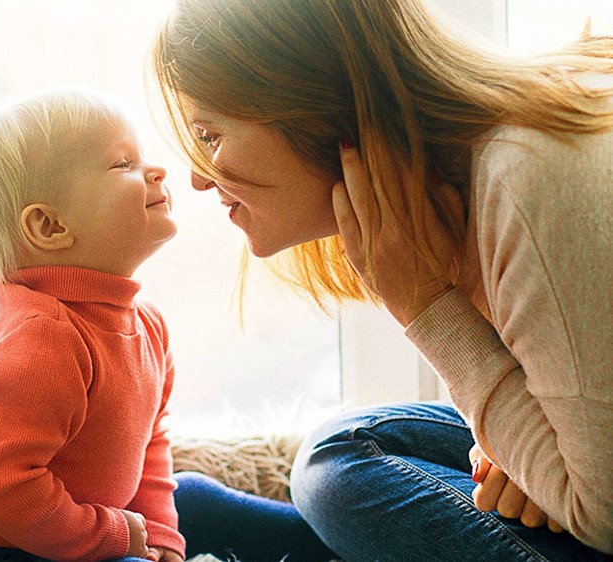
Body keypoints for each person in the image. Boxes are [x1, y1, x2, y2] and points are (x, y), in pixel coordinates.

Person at [149, 0, 613, 560]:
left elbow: (603, 514)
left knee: (337, 475)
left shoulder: (524, 182)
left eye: (208, 135)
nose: (199, 178)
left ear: (311, 103)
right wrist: (526, 453)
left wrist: (427, 307)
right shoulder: (472, 184)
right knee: (342, 449)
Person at [0, 88, 185, 562]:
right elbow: (5, 489)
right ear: (50, 227)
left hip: (58, 521)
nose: (156, 171)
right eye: (123, 164)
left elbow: (151, 444)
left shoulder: (149, 327)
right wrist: (113, 535)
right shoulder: (45, 338)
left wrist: (161, 536)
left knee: (198, 495)